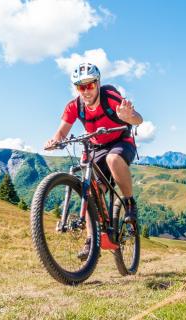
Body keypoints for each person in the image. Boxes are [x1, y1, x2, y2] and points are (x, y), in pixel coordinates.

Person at [44, 63, 143, 259]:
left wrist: (129, 117)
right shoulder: (74, 106)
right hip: (96, 147)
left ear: (98, 83)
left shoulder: (110, 96)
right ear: (76, 88)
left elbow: (138, 120)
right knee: (91, 193)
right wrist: (55, 141)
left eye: (90, 85)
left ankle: (129, 203)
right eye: (81, 87)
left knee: (113, 159)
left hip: (121, 141)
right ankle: (92, 240)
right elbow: (62, 131)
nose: (86, 91)